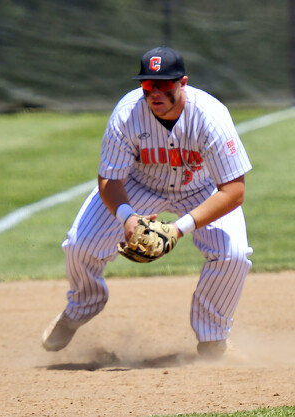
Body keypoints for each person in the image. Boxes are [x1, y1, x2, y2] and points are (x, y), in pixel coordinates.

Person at [41, 46, 253, 359]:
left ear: (182, 82)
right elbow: (110, 180)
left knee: (232, 255)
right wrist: (127, 217)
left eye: (163, 85)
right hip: (140, 185)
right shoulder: (127, 114)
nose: (154, 93)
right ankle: (81, 306)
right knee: (79, 245)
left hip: (199, 187)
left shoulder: (211, 118)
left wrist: (177, 229)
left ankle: (213, 339)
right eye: (147, 85)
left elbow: (233, 191)